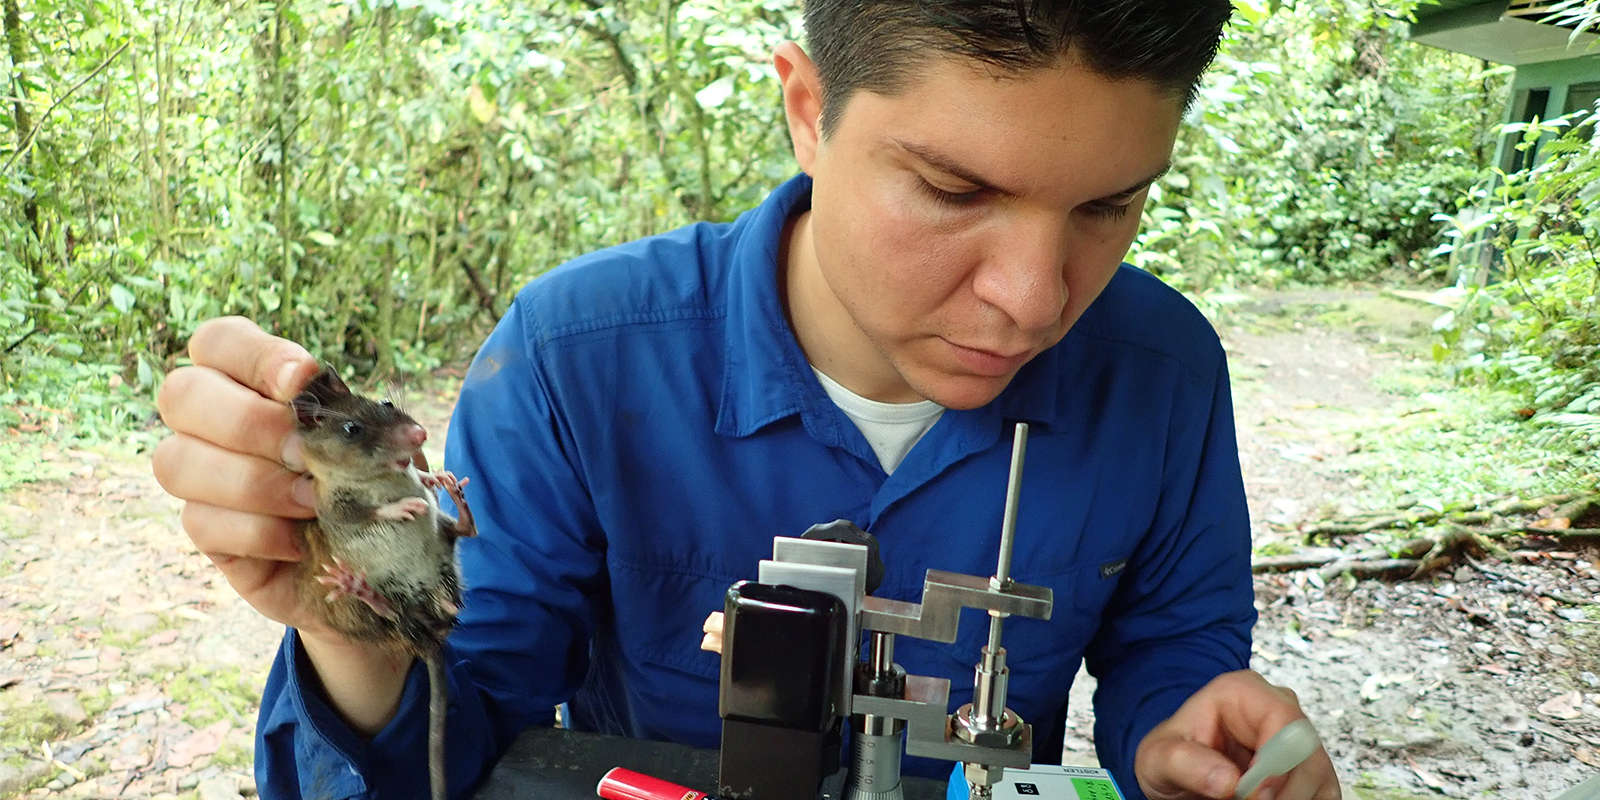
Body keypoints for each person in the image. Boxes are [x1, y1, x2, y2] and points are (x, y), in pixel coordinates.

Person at [152, 2, 1343, 799]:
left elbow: (1172, 649)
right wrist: (352, 622)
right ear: (807, 109)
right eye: (950, 188)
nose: (1034, 301)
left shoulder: (1162, 373)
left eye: (1106, 208)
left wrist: (1189, 735)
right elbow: (464, 729)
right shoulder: (579, 359)